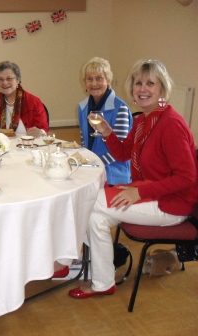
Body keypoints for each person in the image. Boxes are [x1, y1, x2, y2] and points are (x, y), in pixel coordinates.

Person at [68, 59, 198, 299]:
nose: (143, 89)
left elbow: (187, 177)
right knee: (95, 218)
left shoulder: (170, 124)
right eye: (138, 83)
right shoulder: (143, 120)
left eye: (151, 83)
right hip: (152, 193)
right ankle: (103, 282)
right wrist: (107, 132)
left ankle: (64, 260)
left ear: (162, 89)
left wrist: (138, 193)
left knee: (86, 201)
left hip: (172, 204)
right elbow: (124, 153)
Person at [78, 57, 133, 185]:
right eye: (89, 79)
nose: (94, 83)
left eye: (99, 78)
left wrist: (95, 164)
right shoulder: (82, 107)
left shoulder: (120, 108)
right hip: (92, 168)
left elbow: (121, 150)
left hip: (114, 172)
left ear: (108, 80)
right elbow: (83, 141)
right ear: (85, 82)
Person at [0, 61, 48, 137]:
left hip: (26, 146)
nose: (5, 82)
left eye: (9, 78)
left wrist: (40, 132)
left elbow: (44, 131)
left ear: (18, 80)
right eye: (1, 79)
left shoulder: (34, 102)